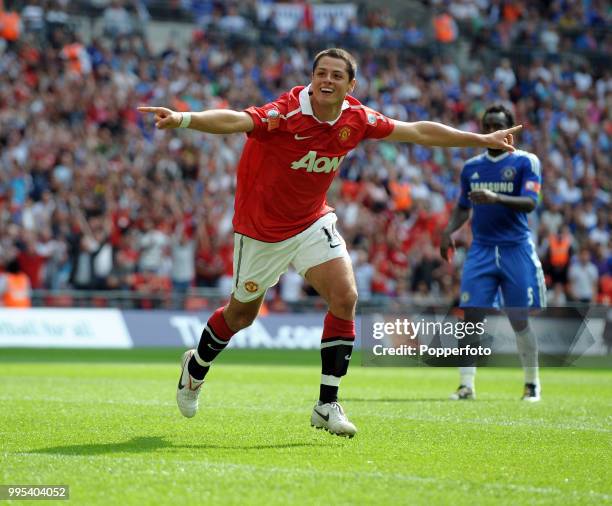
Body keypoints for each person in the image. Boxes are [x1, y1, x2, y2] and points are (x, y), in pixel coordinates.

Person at [139, 48, 521, 437]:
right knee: (241, 316)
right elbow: (236, 120)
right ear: (312, 77)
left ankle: (327, 404)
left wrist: (480, 138)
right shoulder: (286, 112)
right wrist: (184, 119)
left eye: (337, 75)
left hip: (311, 222)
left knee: (345, 296)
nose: (327, 80)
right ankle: (196, 366)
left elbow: (418, 130)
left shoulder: (356, 118)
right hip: (261, 231)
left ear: (350, 85)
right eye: (321, 73)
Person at [440, 104, 545, 403]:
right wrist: (448, 231)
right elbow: (463, 206)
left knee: (518, 318)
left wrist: (495, 197)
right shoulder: (472, 167)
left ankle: (531, 384)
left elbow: (530, 202)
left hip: (516, 248)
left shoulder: (527, 162)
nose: (491, 130)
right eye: (486, 125)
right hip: (481, 249)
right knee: (471, 317)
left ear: (510, 129)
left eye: (497, 124)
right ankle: (466, 385)